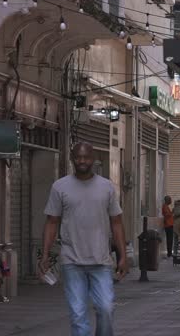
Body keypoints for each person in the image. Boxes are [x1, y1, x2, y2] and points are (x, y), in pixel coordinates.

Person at [39, 142, 128, 336]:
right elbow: (52, 222)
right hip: (72, 261)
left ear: (93, 159)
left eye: (86, 157)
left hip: (102, 261)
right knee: (78, 315)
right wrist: (45, 254)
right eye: (78, 157)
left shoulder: (107, 187)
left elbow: (117, 223)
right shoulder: (59, 187)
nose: (82, 161)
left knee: (106, 308)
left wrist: (123, 256)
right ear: (72, 158)